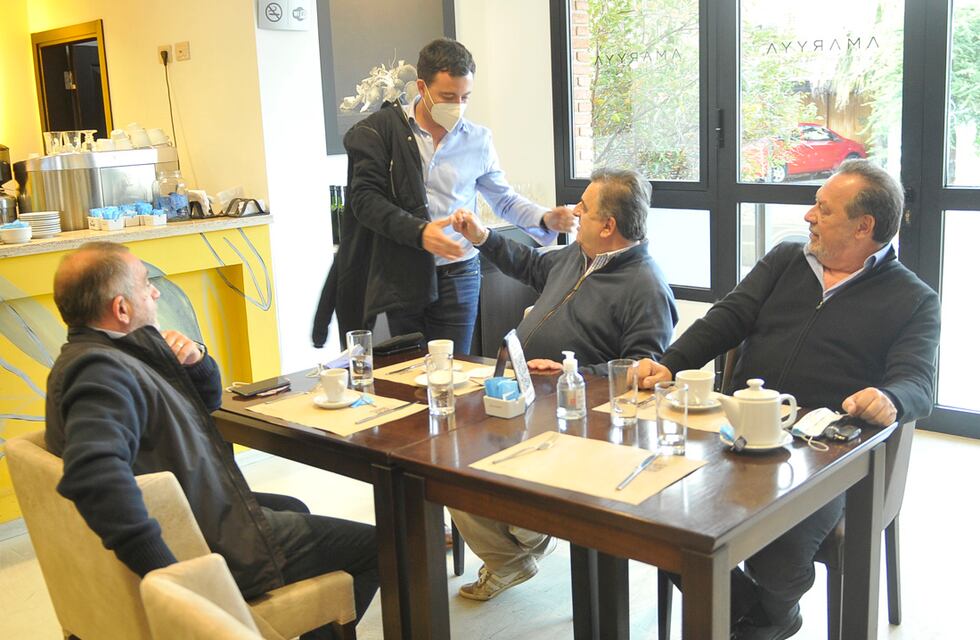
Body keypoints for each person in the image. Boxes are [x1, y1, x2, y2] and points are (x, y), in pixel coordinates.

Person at [637, 159, 940, 639]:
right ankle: (763, 615)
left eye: (823, 209)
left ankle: (762, 613)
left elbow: (919, 384)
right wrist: (669, 362)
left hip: (824, 456)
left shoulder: (913, 299)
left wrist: (889, 397)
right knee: (656, 513)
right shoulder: (785, 260)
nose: (808, 217)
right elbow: (728, 318)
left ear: (865, 227)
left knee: (777, 554)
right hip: (734, 430)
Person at [45, 242, 378, 639]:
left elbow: (203, 410)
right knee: (382, 547)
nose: (154, 292)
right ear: (121, 309)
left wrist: (196, 361)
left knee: (293, 505)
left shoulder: (93, 356)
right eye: (146, 284)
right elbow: (93, 474)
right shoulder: (101, 372)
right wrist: (167, 573)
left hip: (197, 508)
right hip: (210, 542)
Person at [446, 167, 678, 601]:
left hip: (577, 422)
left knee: (484, 471)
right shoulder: (577, 256)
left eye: (584, 208)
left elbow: (643, 371)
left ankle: (525, 538)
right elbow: (531, 264)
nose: (573, 213)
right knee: (449, 458)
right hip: (527, 400)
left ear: (608, 226)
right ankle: (515, 553)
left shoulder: (645, 284)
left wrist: (572, 373)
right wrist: (482, 237)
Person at [326, 37, 576, 354]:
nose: (456, 105)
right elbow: (366, 201)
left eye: (465, 97)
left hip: (459, 271)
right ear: (421, 87)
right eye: (448, 96)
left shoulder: (478, 140)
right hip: (405, 271)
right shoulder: (386, 132)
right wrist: (421, 232)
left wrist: (544, 216)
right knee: (410, 369)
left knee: (457, 369)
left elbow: (504, 200)